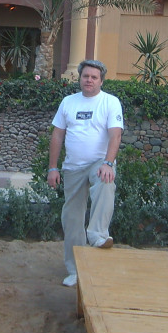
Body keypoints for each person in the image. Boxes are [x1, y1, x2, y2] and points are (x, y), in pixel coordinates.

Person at [47, 59, 124, 287]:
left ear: (101, 81)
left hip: (99, 162)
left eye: (94, 77)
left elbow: (115, 135)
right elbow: (57, 135)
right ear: (79, 78)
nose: (89, 80)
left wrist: (108, 163)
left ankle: (98, 234)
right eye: (85, 76)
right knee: (71, 219)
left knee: (105, 181)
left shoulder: (110, 102)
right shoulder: (68, 102)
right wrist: (53, 167)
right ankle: (75, 270)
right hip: (72, 167)